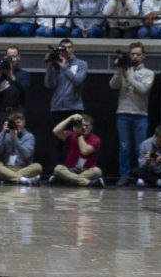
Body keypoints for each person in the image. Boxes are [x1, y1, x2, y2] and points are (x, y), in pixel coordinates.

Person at [108, 41, 154, 186]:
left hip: (140, 114)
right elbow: (112, 85)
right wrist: (119, 70)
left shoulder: (148, 73)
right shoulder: (124, 70)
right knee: (124, 147)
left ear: (143, 56)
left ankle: (141, 175)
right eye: (132, 54)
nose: (135, 56)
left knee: (140, 148)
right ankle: (125, 175)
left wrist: (128, 76)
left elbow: (143, 89)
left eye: (138, 54)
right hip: (123, 112)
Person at [0, 111, 42, 185]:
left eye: (18, 122)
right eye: (14, 123)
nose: (16, 125)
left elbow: (26, 154)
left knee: (38, 167)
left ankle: (6, 178)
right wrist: (2, 132)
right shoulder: (6, 135)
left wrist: (15, 139)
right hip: (7, 168)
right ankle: (22, 179)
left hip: (23, 168)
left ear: (24, 123)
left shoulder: (29, 137)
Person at [51, 113, 104, 187]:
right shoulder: (72, 135)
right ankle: (89, 183)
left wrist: (79, 135)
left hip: (86, 170)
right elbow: (56, 131)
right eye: (82, 125)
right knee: (58, 168)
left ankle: (68, 180)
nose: (84, 128)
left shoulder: (96, 139)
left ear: (91, 127)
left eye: (87, 126)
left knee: (97, 171)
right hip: (70, 170)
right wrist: (70, 118)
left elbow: (84, 151)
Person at [44, 39, 87, 123]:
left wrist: (64, 67)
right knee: (57, 134)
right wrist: (50, 65)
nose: (67, 50)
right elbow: (48, 85)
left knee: (74, 135)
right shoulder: (55, 64)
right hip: (57, 107)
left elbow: (77, 81)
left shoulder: (81, 64)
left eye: (69, 47)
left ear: (73, 49)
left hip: (74, 107)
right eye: (64, 48)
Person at [0, 46, 30, 124]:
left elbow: (25, 88)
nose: (11, 59)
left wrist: (12, 76)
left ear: (19, 57)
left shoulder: (23, 74)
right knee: (3, 135)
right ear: (5, 57)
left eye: (14, 57)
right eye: (9, 57)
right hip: (3, 112)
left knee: (17, 135)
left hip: (17, 111)